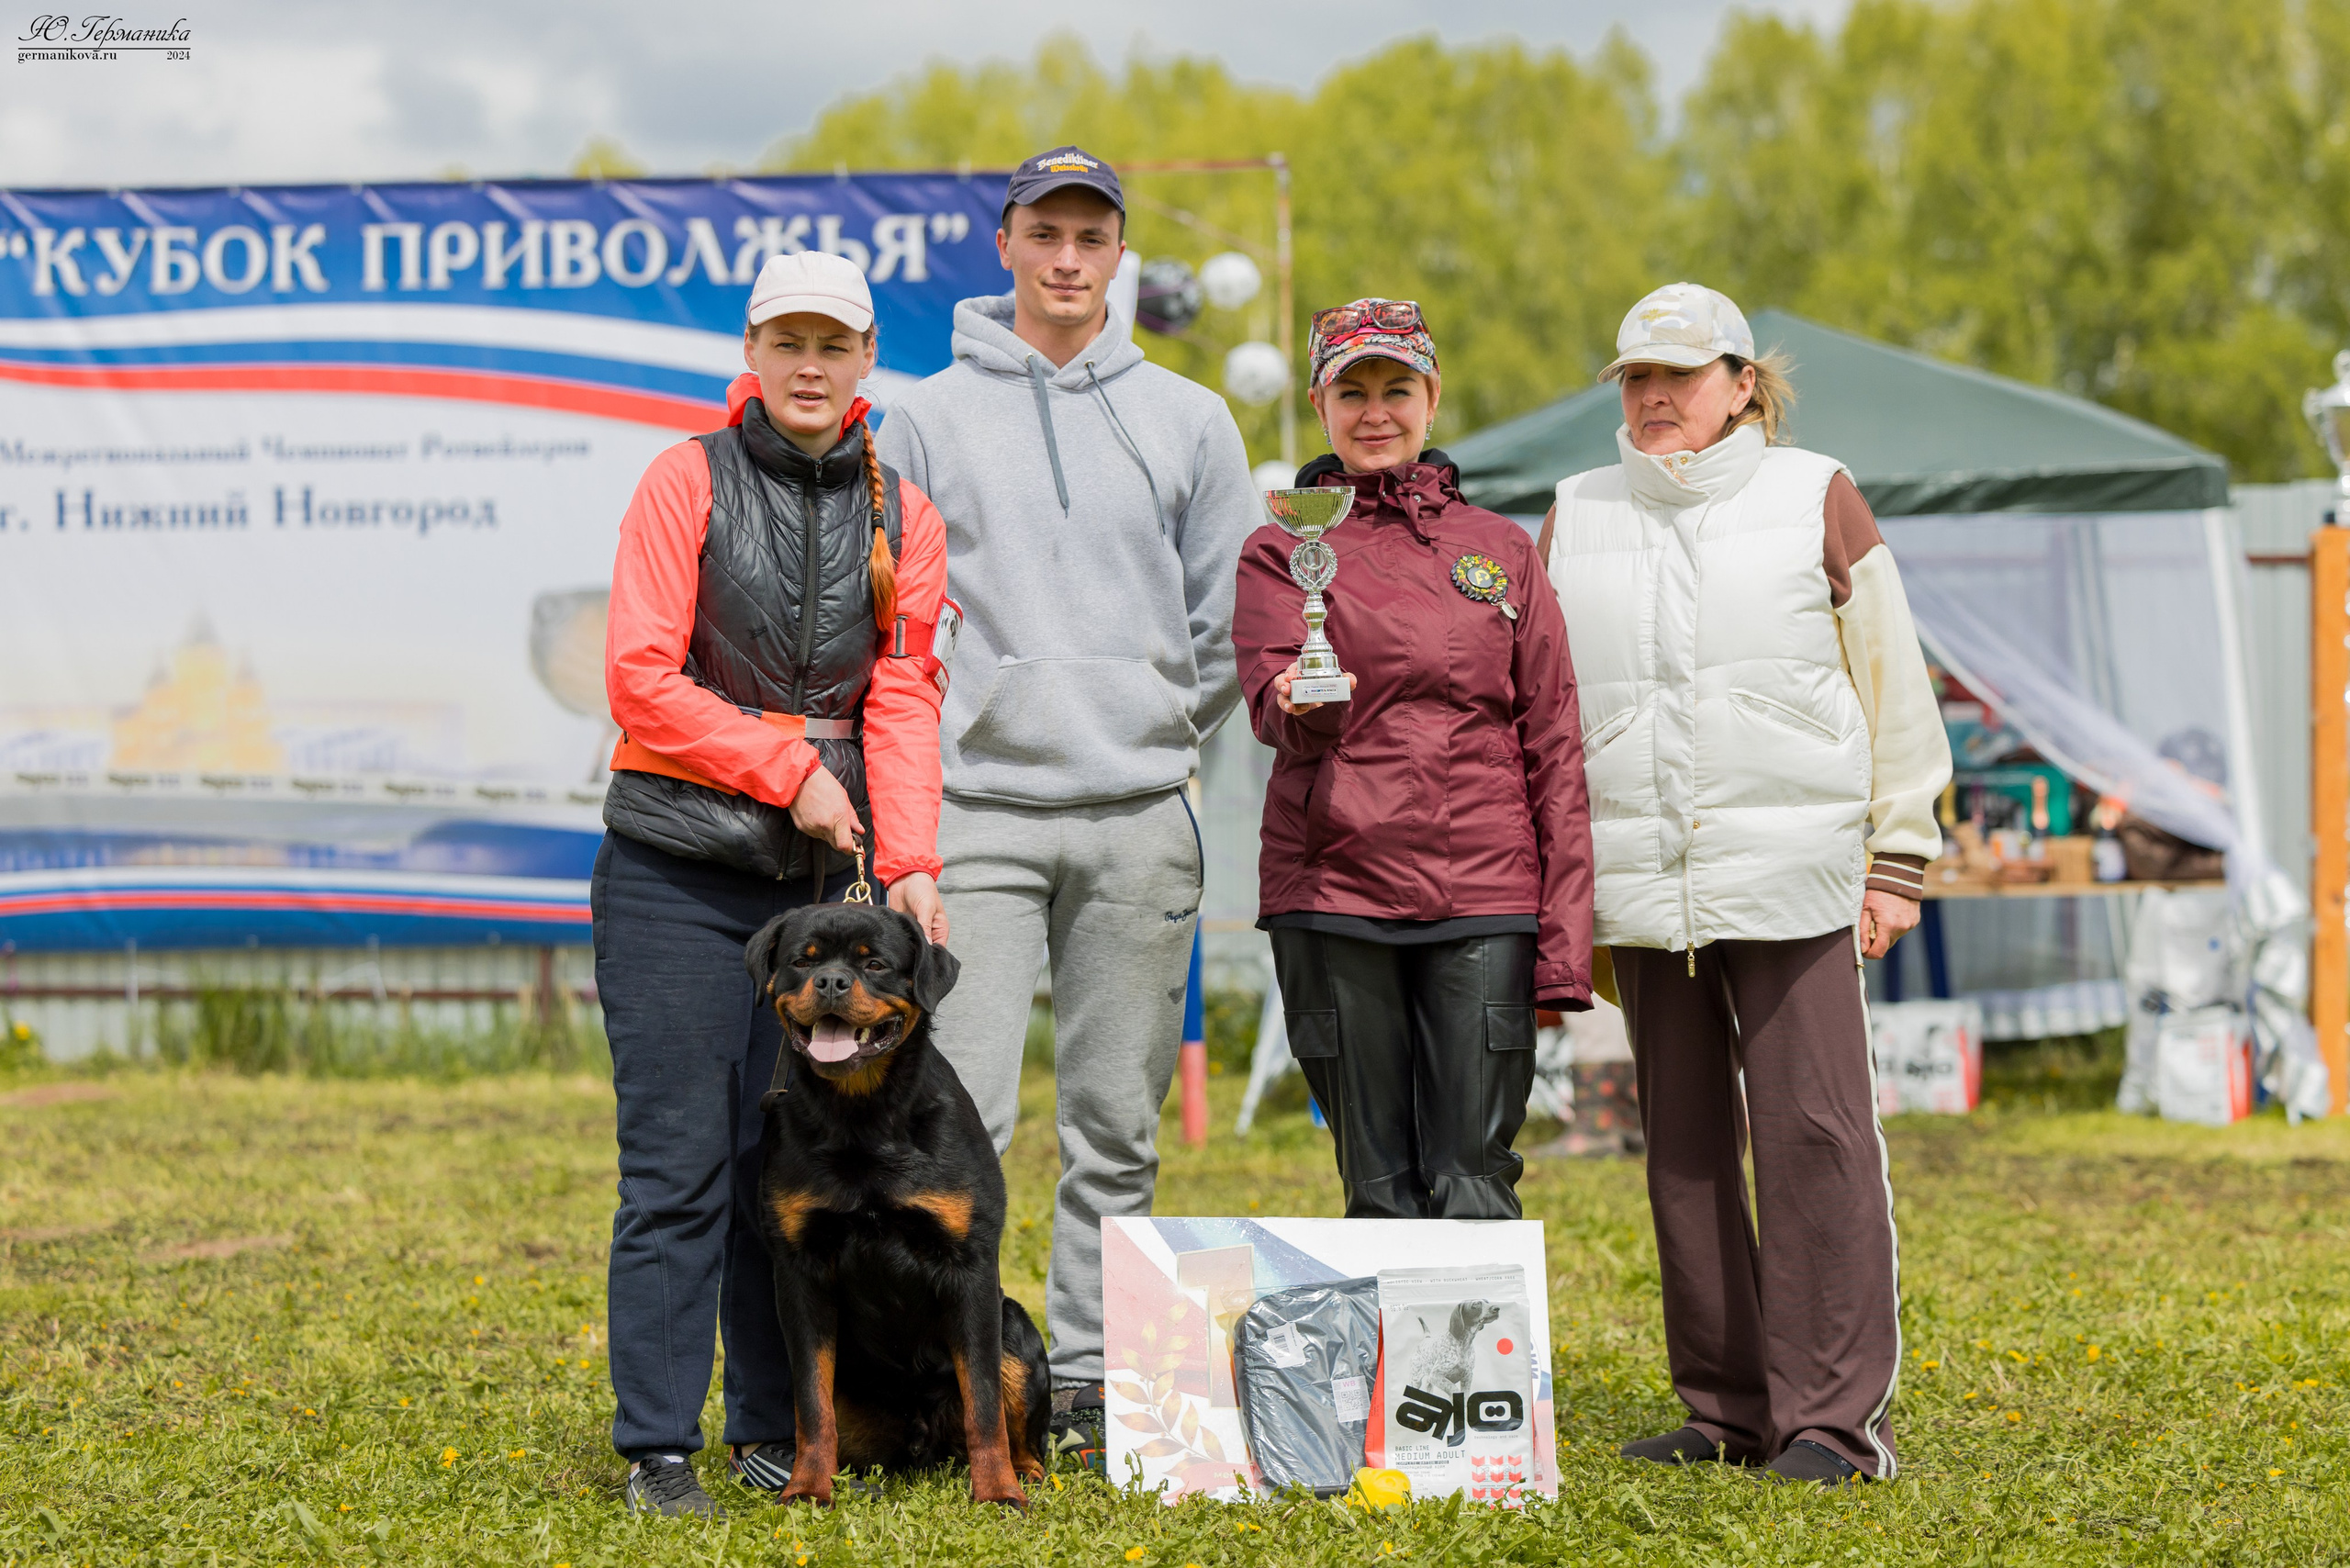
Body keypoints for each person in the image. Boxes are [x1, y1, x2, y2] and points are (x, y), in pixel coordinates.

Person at [876, 145, 1259, 1467]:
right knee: (956, 1121)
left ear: (1118, 255)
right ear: (1006, 244)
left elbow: (1231, 613)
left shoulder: (1191, 418)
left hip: (1139, 810)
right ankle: (953, 1378)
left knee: (1114, 1125)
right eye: (1045, 232)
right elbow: (897, 619)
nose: (1067, 258)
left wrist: (1152, 722)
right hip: (974, 813)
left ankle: (1091, 1377)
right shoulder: (922, 419)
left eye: (1092, 237)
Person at [1539, 282, 1951, 1485]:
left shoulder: (1816, 493)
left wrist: (1897, 859)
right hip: (1641, 883)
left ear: (1740, 383)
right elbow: (1545, 712)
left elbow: (1894, 684)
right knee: (1681, 1147)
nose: (1654, 396)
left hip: (1796, 870)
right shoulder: (1573, 511)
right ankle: (1723, 1409)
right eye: (1636, 377)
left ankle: (1832, 1423)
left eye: (1680, 374)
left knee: (1816, 1137)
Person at [596, 251, 955, 1518]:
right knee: (680, 1167)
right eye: (787, 341)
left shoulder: (906, 514)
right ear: (751, 351)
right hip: (676, 877)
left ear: (867, 359)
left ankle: (768, 1424)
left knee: (782, 1167)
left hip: (816, 905)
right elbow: (640, 678)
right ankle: (657, 1444)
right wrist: (788, 766)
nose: (810, 365)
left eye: (833, 343)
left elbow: (903, 697)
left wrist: (910, 864)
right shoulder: (681, 478)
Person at [1230, 298, 1595, 1219]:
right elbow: (1275, 709)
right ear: (1319, 406)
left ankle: (1484, 1326)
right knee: (1378, 1187)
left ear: (1432, 399)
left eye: (1397, 388)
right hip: (1334, 893)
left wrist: (1563, 936)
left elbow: (1553, 740)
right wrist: (1299, 702)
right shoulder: (1280, 548)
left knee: (1475, 1175)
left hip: (1484, 891)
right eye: (1351, 392)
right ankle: (1384, 1323)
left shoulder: (1500, 549)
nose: (1375, 412)